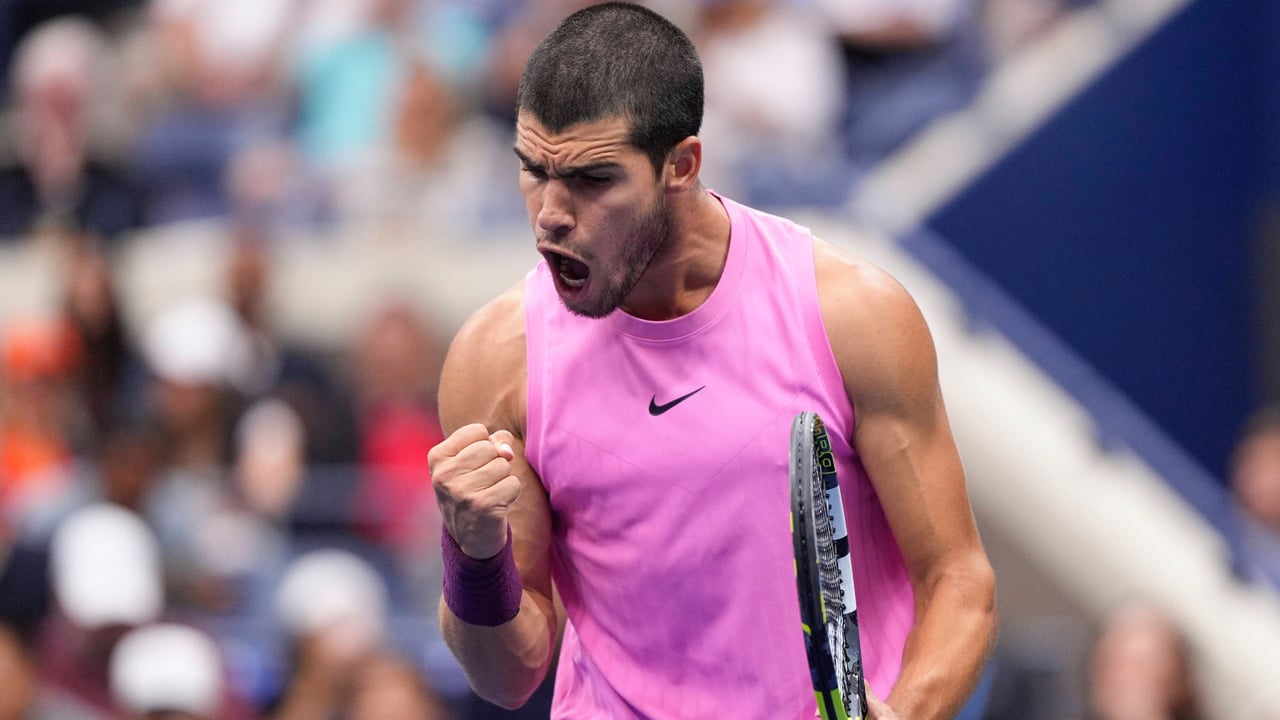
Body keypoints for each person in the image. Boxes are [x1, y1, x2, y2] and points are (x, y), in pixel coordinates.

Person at [427, 4, 997, 719]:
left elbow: (958, 581)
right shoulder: (495, 358)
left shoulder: (850, 314)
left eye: (593, 179)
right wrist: (473, 559)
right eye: (534, 170)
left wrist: (908, 714)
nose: (551, 213)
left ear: (682, 166)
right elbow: (507, 678)